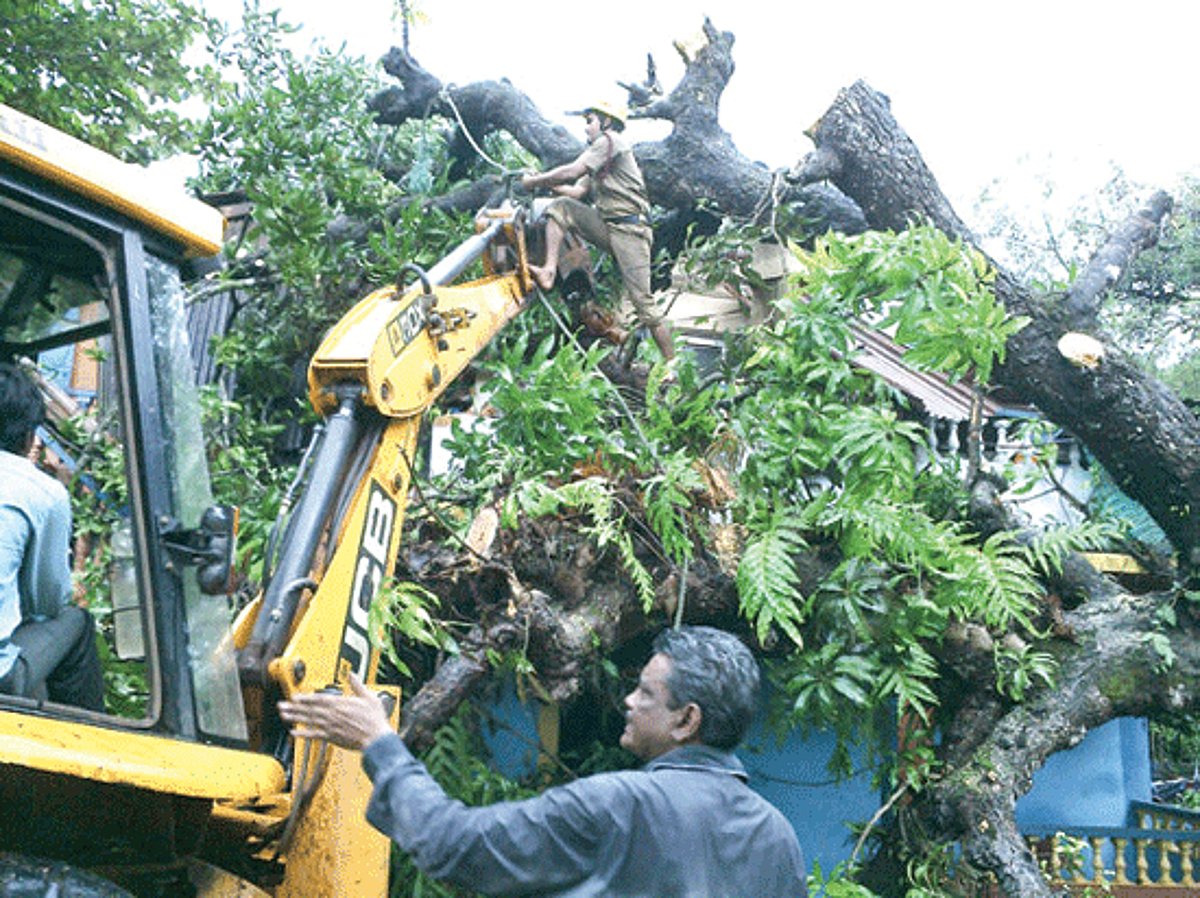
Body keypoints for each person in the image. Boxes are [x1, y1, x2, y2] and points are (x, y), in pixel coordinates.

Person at [279, 625, 807, 897]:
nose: (629, 701)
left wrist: (380, 743)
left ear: (685, 721)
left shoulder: (620, 805)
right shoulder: (777, 837)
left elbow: (455, 845)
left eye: (645, 694)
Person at [521, 100, 676, 361]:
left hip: (631, 231)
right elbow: (577, 191)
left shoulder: (610, 140)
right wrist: (541, 181)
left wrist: (535, 181)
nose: (586, 129)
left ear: (606, 122)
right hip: (610, 226)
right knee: (562, 207)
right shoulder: (600, 155)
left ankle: (672, 364)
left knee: (644, 305)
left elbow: (572, 171)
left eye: (590, 121)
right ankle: (548, 271)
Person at [0, 362, 104, 711]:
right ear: (29, 435)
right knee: (76, 622)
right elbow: (47, 602)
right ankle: (90, 745)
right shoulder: (42, 492)